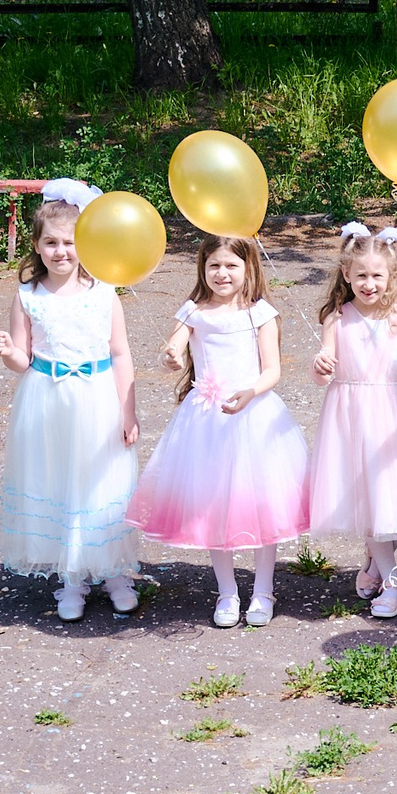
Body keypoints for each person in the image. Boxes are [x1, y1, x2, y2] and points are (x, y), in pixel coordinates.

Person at [126, 235, 311, 626]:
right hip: (206, 421)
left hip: (252, 414)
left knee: (261, 505)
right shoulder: (194, 311)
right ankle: (227, 592)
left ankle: (263, 590)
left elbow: (272, 369)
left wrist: (250, 392)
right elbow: (172, 349)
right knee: (212, 505)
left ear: (248, 269)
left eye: (231, 266)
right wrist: (171, 357)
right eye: (214, 266)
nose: (222, 273)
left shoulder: (258, 312)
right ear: (203, 268)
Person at [0, 178, 142, 621]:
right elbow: (23, 359)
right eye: (51, 243)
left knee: (101, 483)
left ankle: (114, 573)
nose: (61, 251)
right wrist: (8, 353)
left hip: (97, 398)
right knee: (60, 483)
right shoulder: (27, 297)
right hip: (48, 400)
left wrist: (128, 411)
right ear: (36, 247)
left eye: (70, 242)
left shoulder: (103, 292)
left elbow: (120, 353)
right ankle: (71, 580)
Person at [307, 223, 397, 620]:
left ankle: (375, 563)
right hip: (352, 415)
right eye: (360, 275)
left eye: (377, 275)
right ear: (346, 274)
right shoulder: (337, 318)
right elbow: (323, 369)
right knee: (370, 494)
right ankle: (393, 581)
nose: (369, 283)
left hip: (394, 412)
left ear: (392, 276)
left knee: (390, 495)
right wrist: (321, 365)